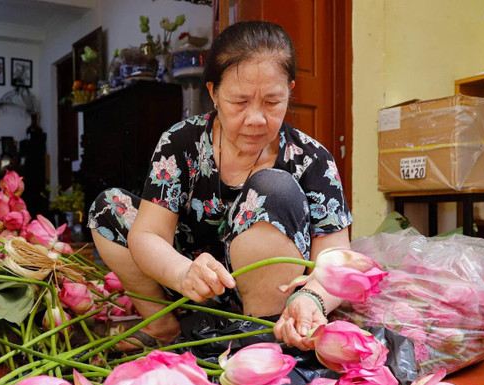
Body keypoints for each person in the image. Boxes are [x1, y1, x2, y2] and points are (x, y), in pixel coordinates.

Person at [88, 21, 352, 351]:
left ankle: (257, 343)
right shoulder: (180, 143)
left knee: (275, 188)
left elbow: (338, 257)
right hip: (193, 289)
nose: (256, 119)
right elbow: (148, 234)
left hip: (271, 302)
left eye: (272, 102)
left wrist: (312, 298)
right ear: (213, 93)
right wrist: (182, 272)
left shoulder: (312, 159)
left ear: (290, 91)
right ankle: (165, 330)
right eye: (240, 102)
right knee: (108, 208)